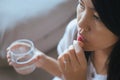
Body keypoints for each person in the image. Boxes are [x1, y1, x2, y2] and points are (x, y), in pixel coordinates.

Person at [7, 0, 120, 80]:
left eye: (97, 17)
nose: (81, 23)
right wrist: (41, 59)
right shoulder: (74, 30)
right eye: (81, 4)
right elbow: (66, 73)